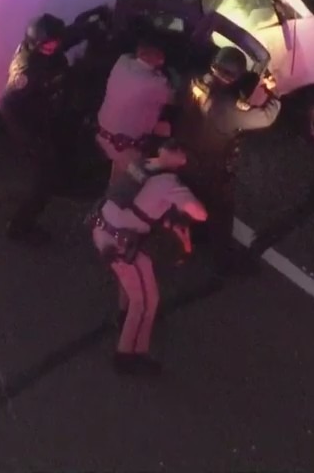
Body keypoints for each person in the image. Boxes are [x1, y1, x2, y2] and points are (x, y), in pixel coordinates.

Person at [90, 139, 206, 376]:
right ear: (180, 158)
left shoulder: (143, 165)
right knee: (145, 300)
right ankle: (129, 354)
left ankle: (124, 316)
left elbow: (138, 203)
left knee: (132, 281)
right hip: (123, 244)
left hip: (103, 230)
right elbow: (200, 214)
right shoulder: (169, 183)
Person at [172, 46, 281, 276]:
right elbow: (265, 117)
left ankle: (197, 236)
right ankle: (224, 262)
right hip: (212, 167)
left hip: (184, 158)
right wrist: (274, 94)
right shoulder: (227, 107)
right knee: (221, 213)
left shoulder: (194, 81)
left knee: (193, 199)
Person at [0, 13, 77, 243]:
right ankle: (20, 226)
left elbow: (70, 36)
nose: (54, 47)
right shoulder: (26, 70)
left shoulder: (44, 48)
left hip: (44, 116)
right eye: (48, 44)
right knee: (43, 179)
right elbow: (8, 105)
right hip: (31, 128)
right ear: (37, 43)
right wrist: (31, 141)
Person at [94, 33, 176, 186]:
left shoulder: (122, 61)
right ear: (160, 58)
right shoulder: (157, 83)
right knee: (171, 130)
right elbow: (174, 99)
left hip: (101, 133)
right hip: (123, 148)